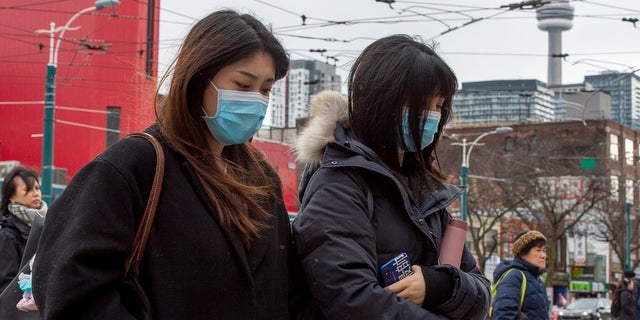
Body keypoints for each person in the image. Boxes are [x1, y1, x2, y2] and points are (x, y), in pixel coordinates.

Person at [32, 9, 296, 319]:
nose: (257, 101)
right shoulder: (130, 168)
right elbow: (71, 291)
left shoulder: (261, 177)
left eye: (265, 90)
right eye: (242, 85)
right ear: (199, 78)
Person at [292, 34, 491, 319]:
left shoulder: (426, 193)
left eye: (439, 106)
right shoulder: (338, 185)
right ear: (382, 99)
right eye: (423, 104)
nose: (432, 117)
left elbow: (482, 292)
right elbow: (352, 300)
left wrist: (440, 286)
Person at [0, 166, 46, 292]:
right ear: (12, 197)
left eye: (37, 188)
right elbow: (6, 282)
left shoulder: (49, 223)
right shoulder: (8, 235)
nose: (36, 193)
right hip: (22, 304)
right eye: (28, 190)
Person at [492, 230, 548, 320]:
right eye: (538, 250)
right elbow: (503, 315)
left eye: (544, 251)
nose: (543, 255)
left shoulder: (538, 280)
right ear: (522, 254)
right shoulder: (514, 277)